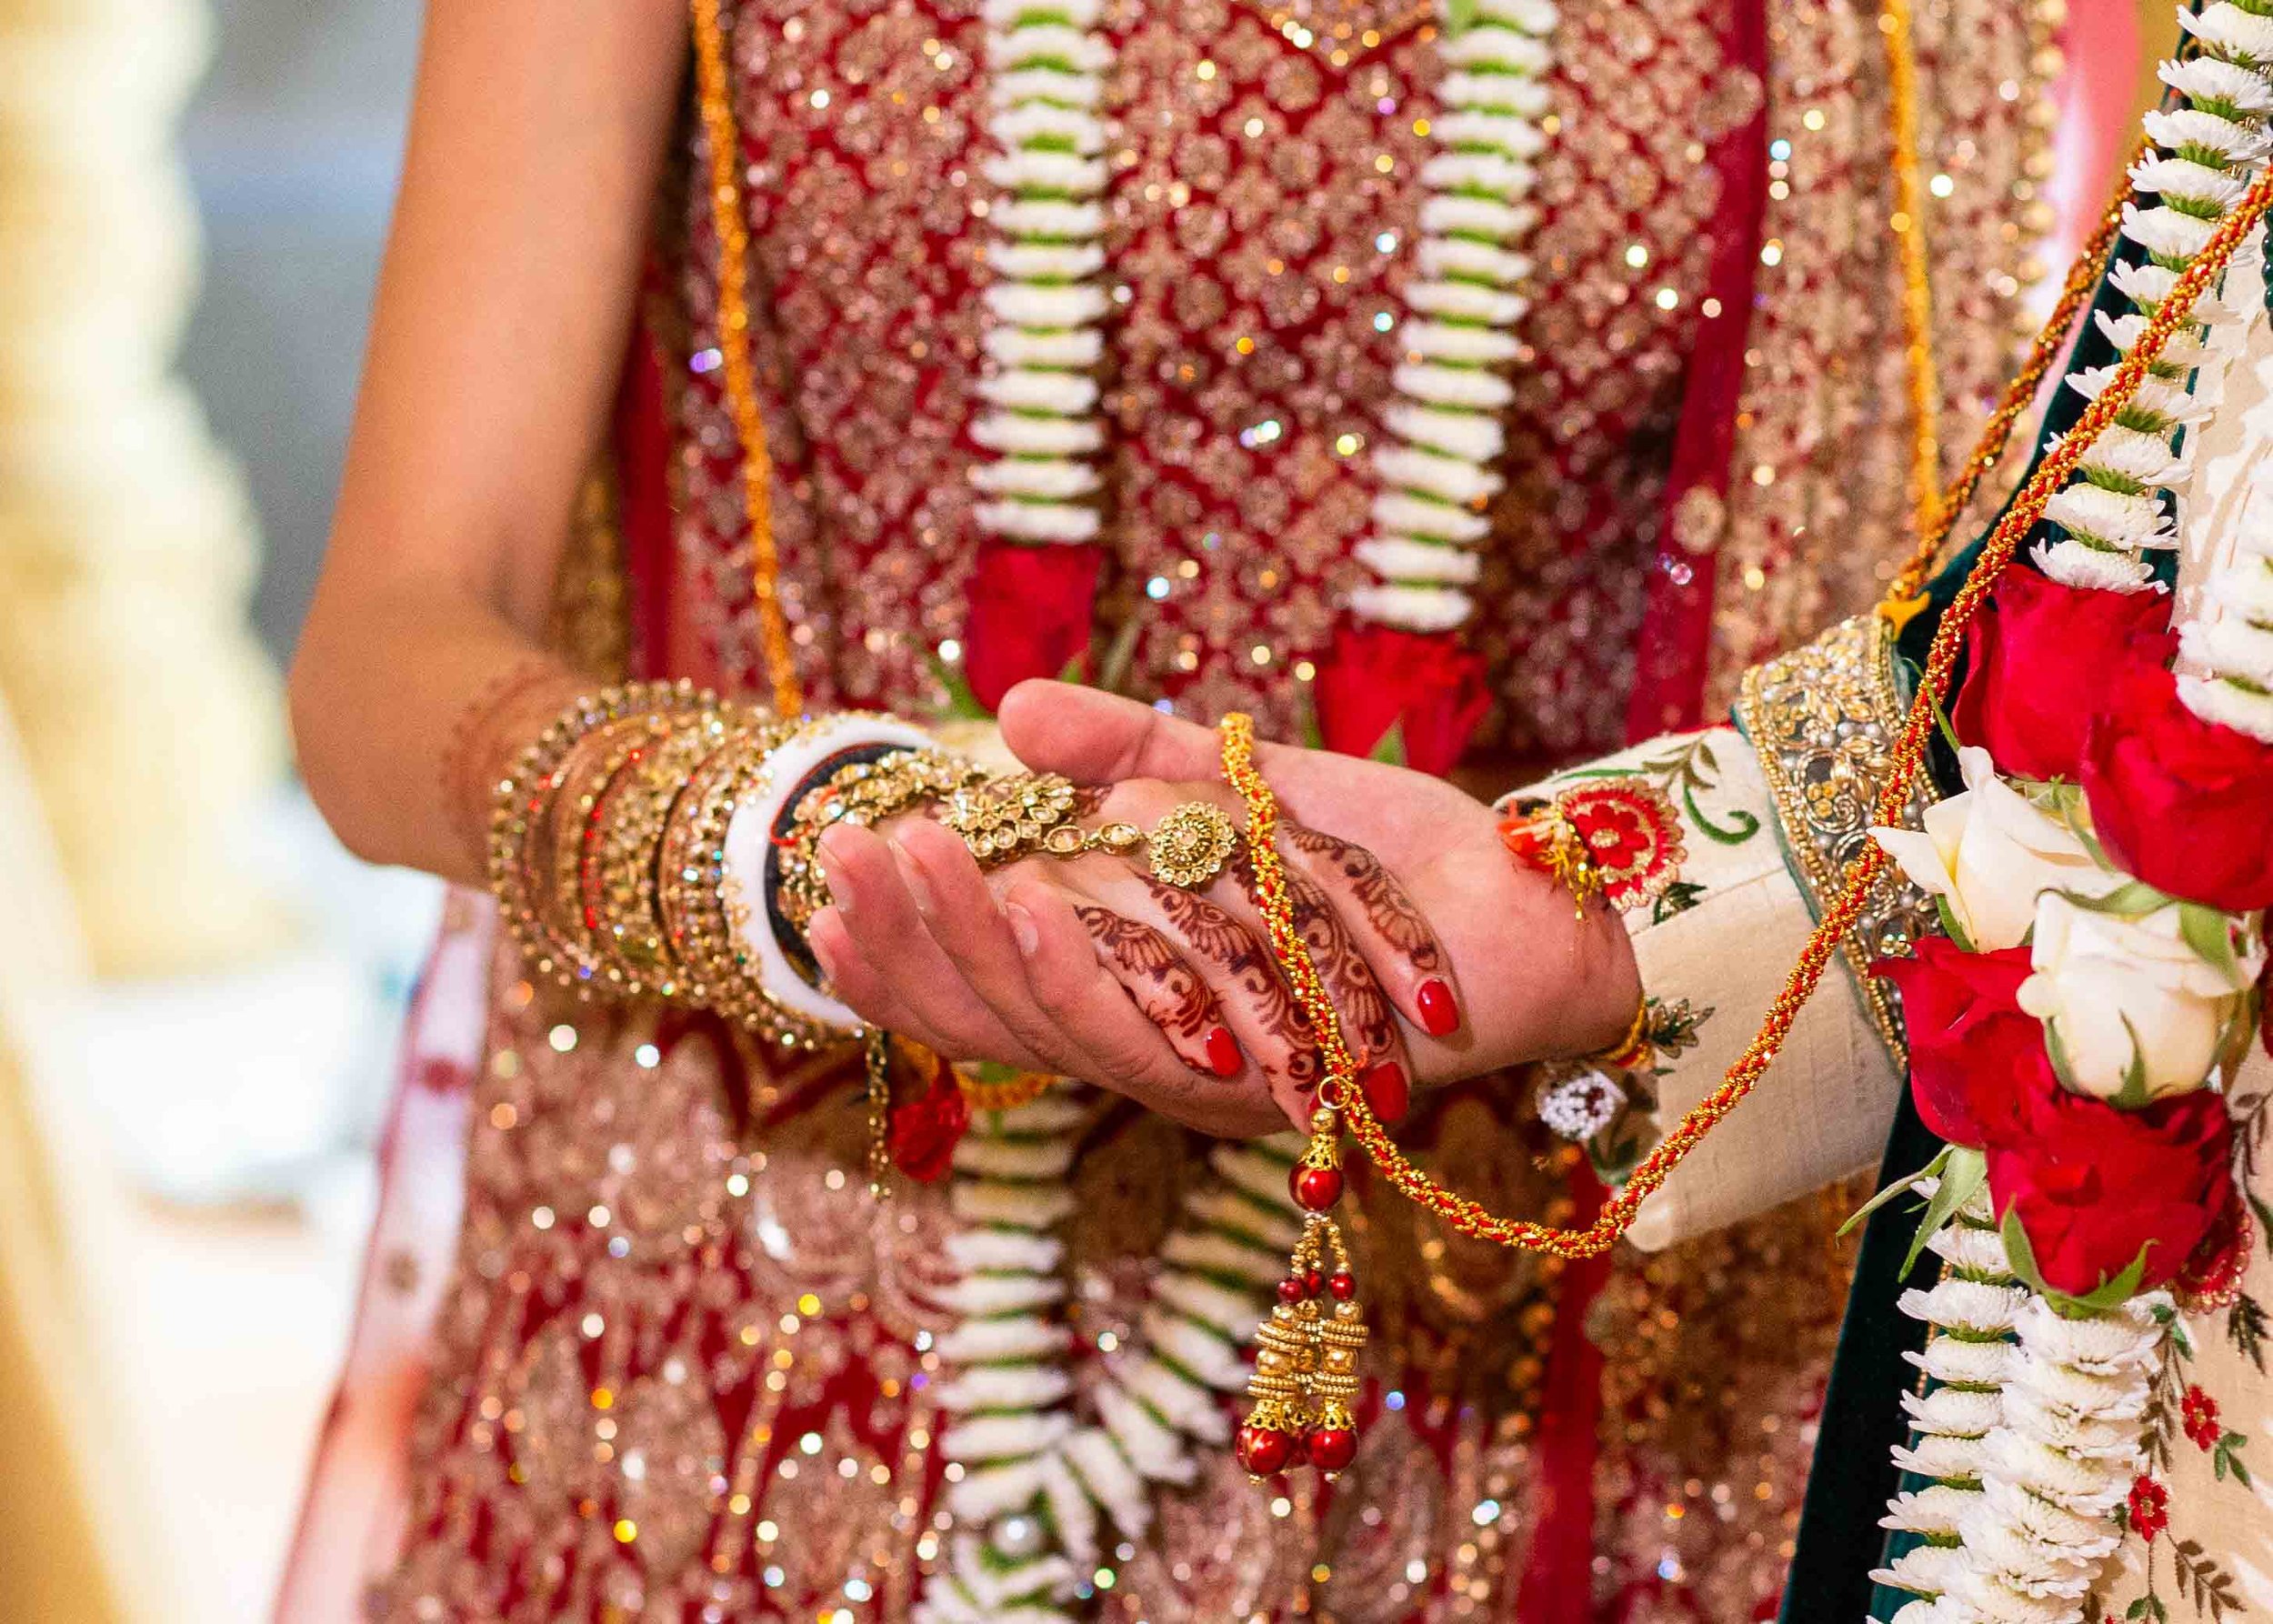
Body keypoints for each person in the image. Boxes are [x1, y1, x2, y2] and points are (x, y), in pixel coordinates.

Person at [276, 0, 2074, 1618]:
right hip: (755, 1284)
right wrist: (825, 833)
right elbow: (385, 657)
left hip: (1557, 1332)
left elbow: (2041, 673)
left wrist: (1569, 908)